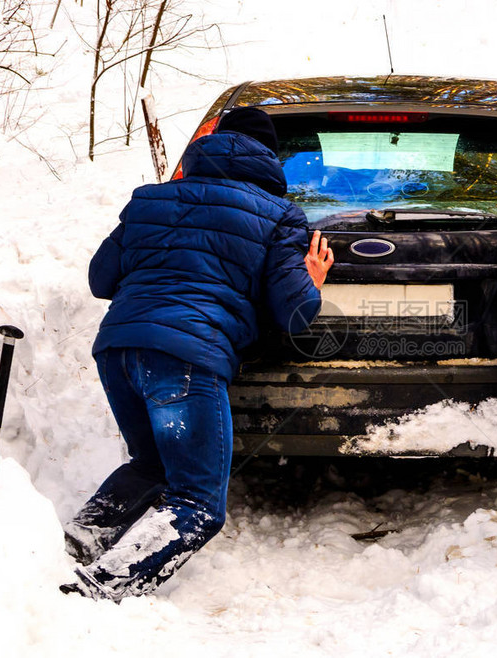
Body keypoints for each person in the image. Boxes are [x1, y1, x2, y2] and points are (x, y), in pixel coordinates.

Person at [60, 107, 334, 601]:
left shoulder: (149, 199)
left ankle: (72, 545)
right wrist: (311, 281)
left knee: (152, 466)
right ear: (270, 157)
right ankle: (101, 588)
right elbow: (293, 313)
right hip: (185, 360)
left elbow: (100, 280)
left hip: (118, 350)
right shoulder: (280, 215)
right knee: (199, 503)